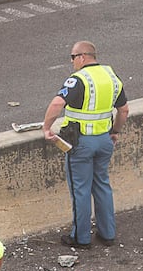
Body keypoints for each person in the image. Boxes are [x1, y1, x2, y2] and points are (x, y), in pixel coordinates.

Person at [42, 41, 129, 248]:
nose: (72, 62)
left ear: (82, 57)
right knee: (102, 186)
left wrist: (47, 128)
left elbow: (56, 104)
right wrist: (115, 132)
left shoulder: (78, 79)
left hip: (80, 143)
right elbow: (124, 110)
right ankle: (108, 234)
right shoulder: (111, 76)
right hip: (104, 141)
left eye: (72, 57)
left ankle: (81, 238)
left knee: (80, 190)